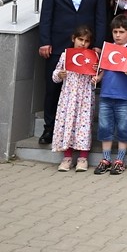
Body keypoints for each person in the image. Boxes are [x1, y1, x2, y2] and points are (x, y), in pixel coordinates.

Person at [38, 0, 107, 145]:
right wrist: (44, 41)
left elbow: (101, 18)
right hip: (58, 44)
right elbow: (46, 15)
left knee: (82, 92)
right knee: (53, 88)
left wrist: (99, 45)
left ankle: (78, 133)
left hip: (86, 48)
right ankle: (49, 129)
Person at [51, 25, 98, 172]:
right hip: (68, 97)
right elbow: (55, 75)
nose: (82, 43)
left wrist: (96, 73)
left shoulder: (92, 56)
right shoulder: (65, 55)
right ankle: (67, 157)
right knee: (68, 124)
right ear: (73, 39)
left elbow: (95, 79)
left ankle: (83, 157)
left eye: (86, 41)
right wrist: (60, 74)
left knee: (83, 126)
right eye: (80, 39)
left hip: (84, 97)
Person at [94, 14, 127, 175]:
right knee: (104, 127)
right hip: (106, 95)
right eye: (115, 32)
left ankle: (120, 160)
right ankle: (106, 159)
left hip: (124, 96)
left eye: (121, 32)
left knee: (124, 128)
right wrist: (97, 78)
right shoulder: (107, 49)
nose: (117, 35)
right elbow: (102, 70)